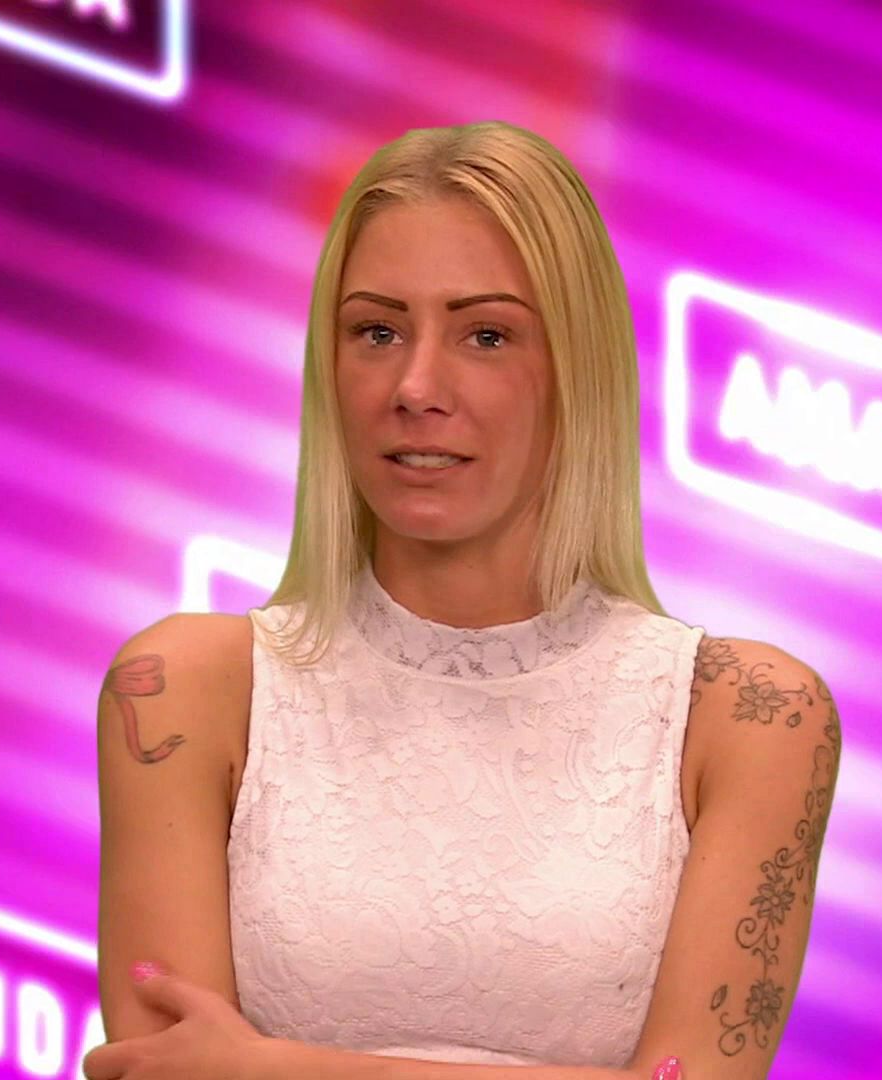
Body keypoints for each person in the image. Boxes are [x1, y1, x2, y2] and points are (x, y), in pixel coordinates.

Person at [86, 121, 842, 1080]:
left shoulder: (750, 717)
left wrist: (276, 1069)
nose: (416, 386)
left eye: (486, 335)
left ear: (578, 371)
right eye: (377, 331)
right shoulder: (182, 692)